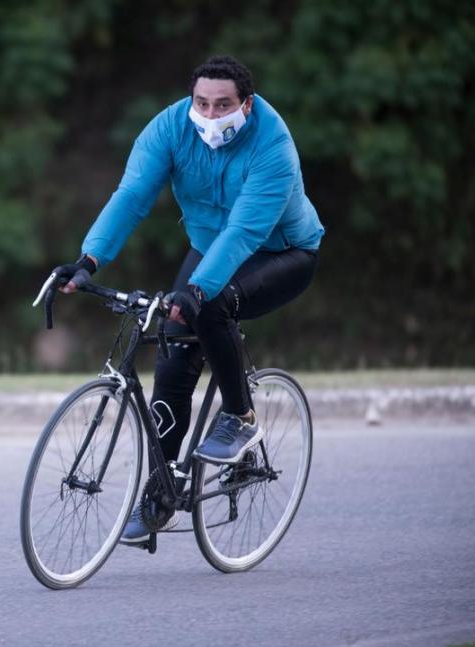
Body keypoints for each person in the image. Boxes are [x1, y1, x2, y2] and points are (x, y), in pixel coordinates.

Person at [49, 55, 324, 545]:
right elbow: (132, 196)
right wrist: (88, 261)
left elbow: (243, 231)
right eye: (202, 103)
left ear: (248, 104)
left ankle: (241, 418)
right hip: (208, 248)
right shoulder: (168, 129)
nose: (211, 115)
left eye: (224, 105)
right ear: (190, 100)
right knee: (175, 352)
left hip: (281, 252)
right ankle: (162, 491)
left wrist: (196, 291)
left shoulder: (273, 144)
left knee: (211, 307)